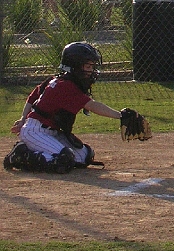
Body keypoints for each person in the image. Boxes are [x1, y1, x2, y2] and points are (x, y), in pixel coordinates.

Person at [4, 42, 147, 173]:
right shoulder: (65, 86)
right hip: (36, 131)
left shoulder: (58, 80)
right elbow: (92, 105)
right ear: (75, 66)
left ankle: (32, 149)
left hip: (49, 132)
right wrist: (120, 115)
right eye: (88, 66)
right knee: (64, 159)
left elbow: (33, 97)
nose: (91, 71)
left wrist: (23, 118)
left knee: (84, 156)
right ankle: (21, 155)